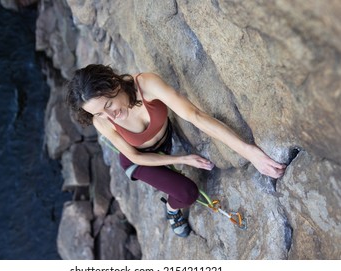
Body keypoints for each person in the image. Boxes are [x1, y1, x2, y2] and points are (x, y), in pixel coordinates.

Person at [66, 64, 286, 237]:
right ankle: (172, 211)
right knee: (187, 193)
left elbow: (196, 116)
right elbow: (134, 155)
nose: (111, 117)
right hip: (139, 161)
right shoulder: (102, 122)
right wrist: (182, 159)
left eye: (108, 106)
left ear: (113, 84)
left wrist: (251, 153)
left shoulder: (146, 85)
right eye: (100, 114)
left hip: (163, 142)